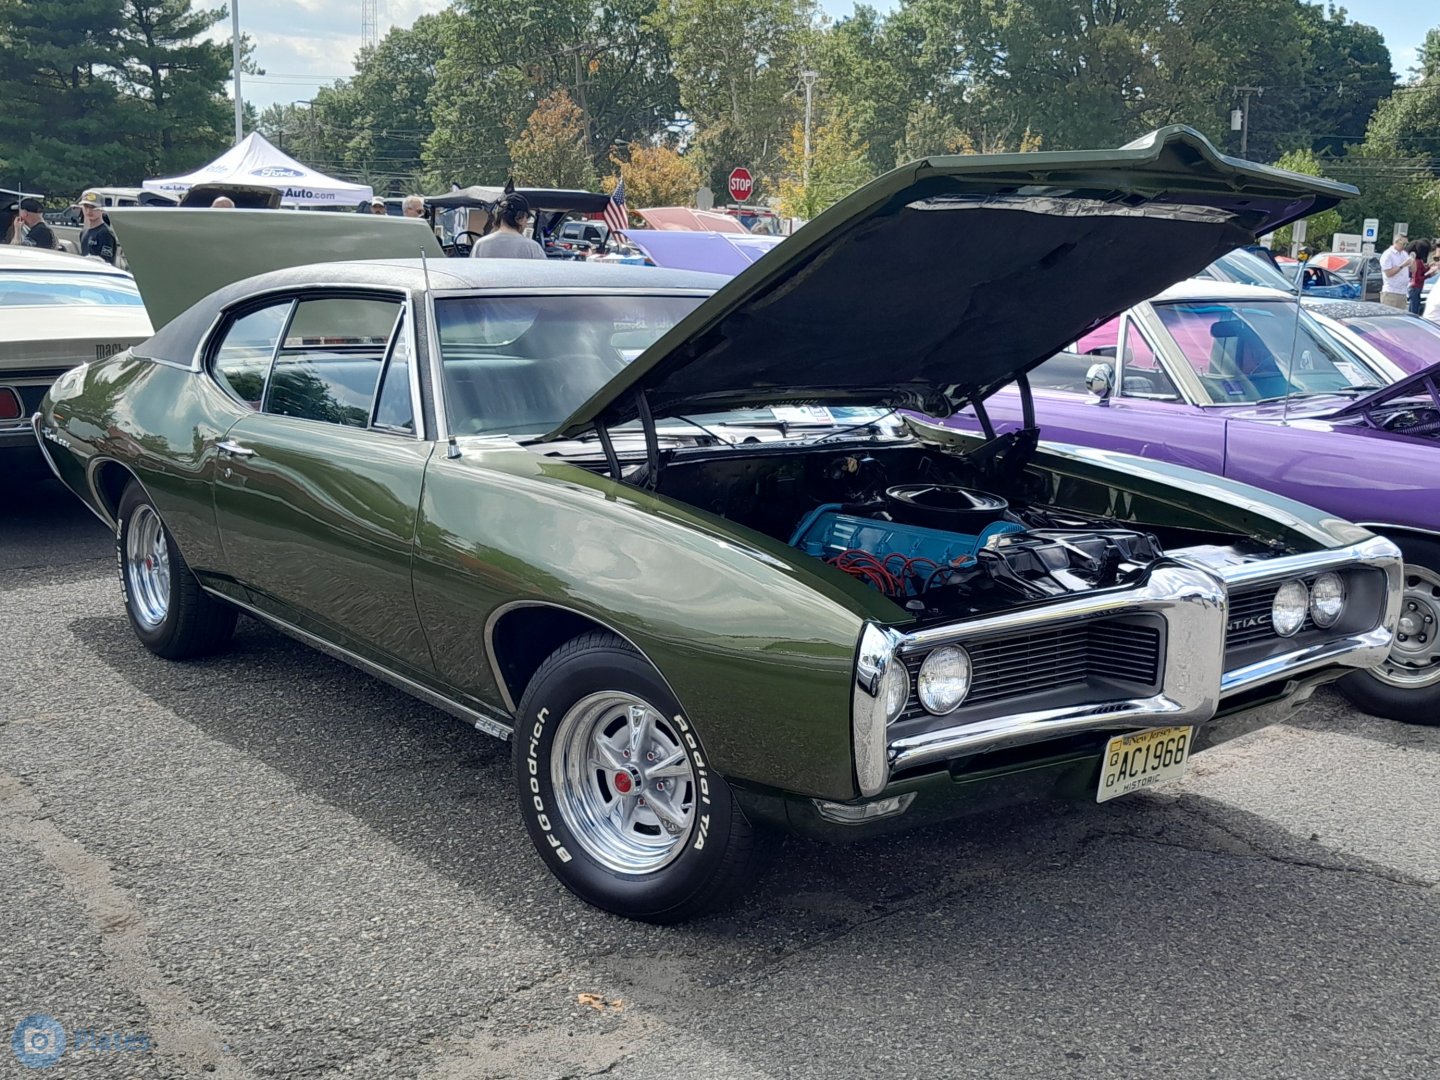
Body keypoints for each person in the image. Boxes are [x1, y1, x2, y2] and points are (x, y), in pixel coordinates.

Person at [468, 193, 546, 259]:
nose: (526, 223)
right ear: (521, 217)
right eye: (527, 218)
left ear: (497, 216)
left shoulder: (481, 245)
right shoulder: (533, 248)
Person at [74, 194, 118, 264]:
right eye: (86, 206)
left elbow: (106, 263)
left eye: (93, 207)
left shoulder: (105, 233)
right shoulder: (83, 232)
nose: (89, 211)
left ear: (102, 209)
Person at [1378, 231, 1413, 310]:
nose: (1405, 246)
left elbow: (1413, 270)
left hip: (1403, 292)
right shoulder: (1388, 254)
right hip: (1391, 292)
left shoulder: (1404, 254)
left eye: (1406, 244)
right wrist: (1402, 265)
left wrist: (1413, 261)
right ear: (1396, 242)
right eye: (1403, 244)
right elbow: (1388, 273)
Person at [1407, 239, 1437, 315]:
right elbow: (1417, 278)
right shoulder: (1417, 262)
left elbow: (1422, 271)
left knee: (1414, 307)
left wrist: (1429, 266)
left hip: (1416, 287)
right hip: (1415, 287)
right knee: (1414, 309)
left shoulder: (1418, 261)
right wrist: (1429, 275)